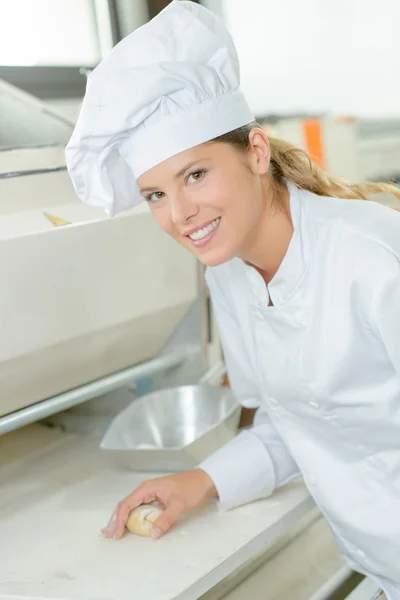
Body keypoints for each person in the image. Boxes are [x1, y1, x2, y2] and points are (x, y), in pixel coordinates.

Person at [66, 1, 400, 597]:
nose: (179, 214)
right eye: (154, 194)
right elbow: (295, 422)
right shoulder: (229, 272)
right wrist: (200, 481)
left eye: (195, 175)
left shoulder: (371, 257)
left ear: (256, 151)